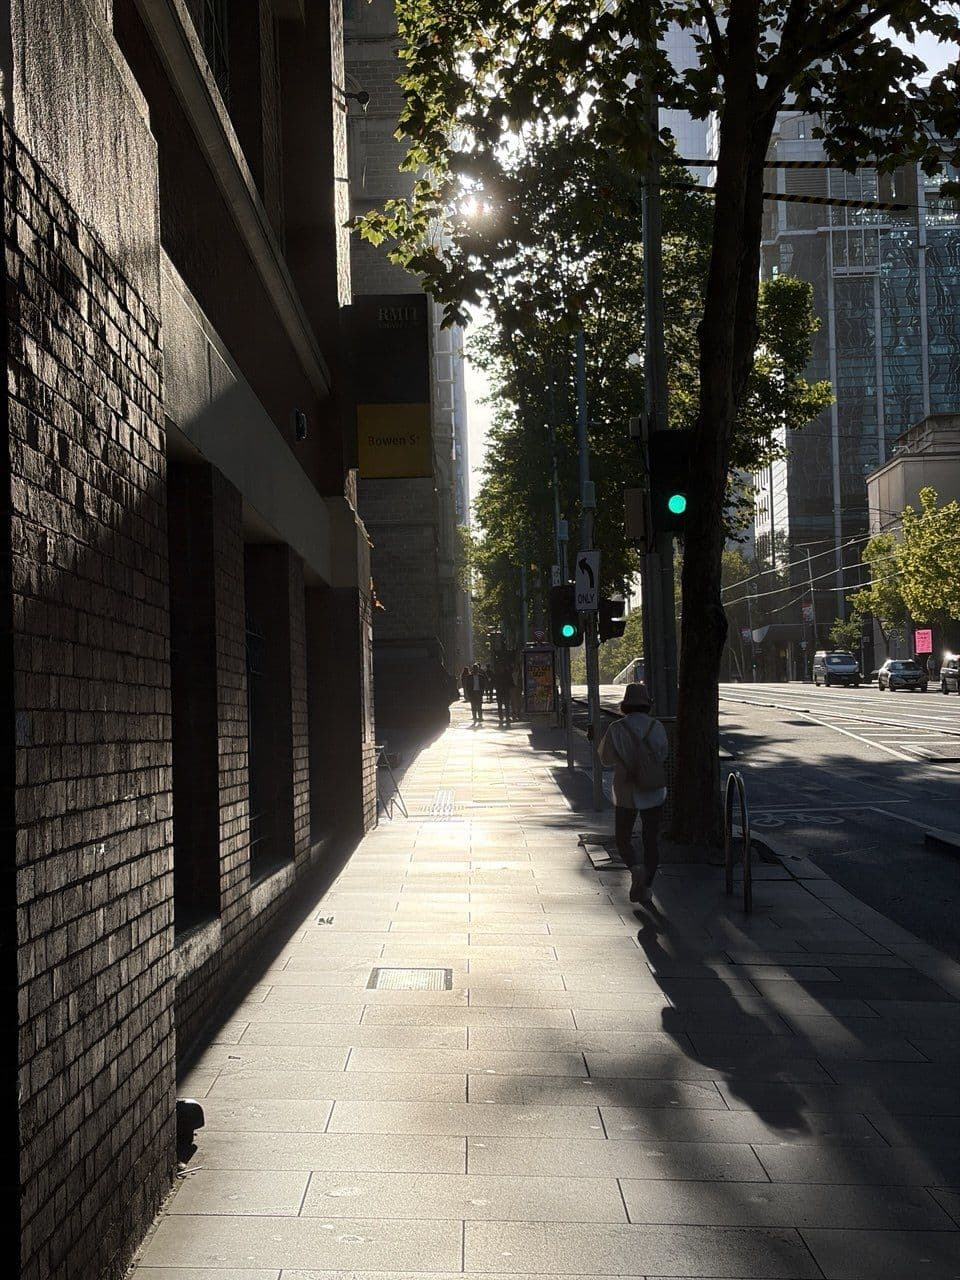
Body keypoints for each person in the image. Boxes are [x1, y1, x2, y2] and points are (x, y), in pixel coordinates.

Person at [597, 682, 668, 904]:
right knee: (651, 840)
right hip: (653, 790)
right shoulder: (656, 727)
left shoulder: (616, 728)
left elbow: (605, 759)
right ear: (647, 705)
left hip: (626, 789)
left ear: (625, 705)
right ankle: (646, 887)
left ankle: (635, 867)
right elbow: (663, 754)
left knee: (623, 837)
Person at [493, 661, 514, 727]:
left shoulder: (507, 674)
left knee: (507, 706)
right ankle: (501, 717)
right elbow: (494, 682)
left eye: (502, 667)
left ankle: (507, 717)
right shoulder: (497, 674)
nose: (501, 668)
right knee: (500, 706)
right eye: (500, 667)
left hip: (506, 692)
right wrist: (497, 687)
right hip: (499, 692)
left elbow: (511, 682)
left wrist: (511, 687)